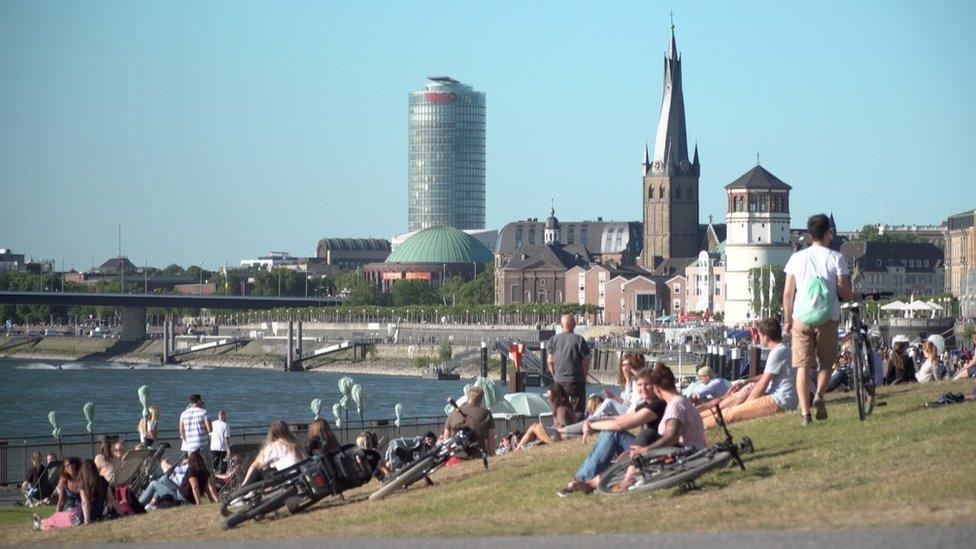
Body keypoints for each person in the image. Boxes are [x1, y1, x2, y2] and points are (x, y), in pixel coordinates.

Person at [782, 213, 855, 426]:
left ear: (809, 235)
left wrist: (788, 319)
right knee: (826, 362)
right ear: (827, 233)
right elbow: (843, 289)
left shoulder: (796, 258)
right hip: (827, 317)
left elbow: (788, 292)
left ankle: (805, 415)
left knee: (802, 367)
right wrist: (853, 296)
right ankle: (820, 393)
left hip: (801, 318)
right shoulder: (836, 258)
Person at [557, 365, 668, 496]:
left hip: (656, 451)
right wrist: (593, 421)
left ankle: (582, 479)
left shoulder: (658, 404)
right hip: (647, 447)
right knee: (611, 432)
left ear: (655, 385)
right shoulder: (645, 404)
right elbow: (622, 417)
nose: (642, 388)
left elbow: (622, 424)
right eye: (639, 385)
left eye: (647, 384)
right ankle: (586, 480)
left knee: (613, 432)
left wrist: (593, 426)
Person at [607, 363, 710, 493]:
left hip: (688, 453)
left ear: (656, 388)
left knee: (647, 434)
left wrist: (645, 449)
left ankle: (629, 478)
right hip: (689, 450)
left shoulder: (676, 405)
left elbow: (672, 437)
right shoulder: (678, 401)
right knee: (642, 439)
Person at [701, 318, 796, 428]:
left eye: (760, 336)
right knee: (733, 401)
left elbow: (763, 384)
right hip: (783, 399)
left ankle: (696, 427)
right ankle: (697, 418)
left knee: (732, 413)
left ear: (766, 337)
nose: (759, 339)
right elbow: (767, 374)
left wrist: (747, 405)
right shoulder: (784, 349)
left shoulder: (777, 352)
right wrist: (746, 382)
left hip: (779, 401)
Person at [546, 314, 591, 417]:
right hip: (576, 381)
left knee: (560, 410)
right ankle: (576, 430)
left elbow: (550, 361)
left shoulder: (553, 340)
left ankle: (561, 429)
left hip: (559, 381)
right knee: (578, 412)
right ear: (574, 325)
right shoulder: (580, 340)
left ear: (561, 325)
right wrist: (584, 376)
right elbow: (585, 362)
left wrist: (555, 375)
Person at [241, 420, 306, 485]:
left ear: (272, 433)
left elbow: (254, 466)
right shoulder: (296, 443)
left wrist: (243, 485)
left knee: (258, 468)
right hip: (304, 477)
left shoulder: (273, 447)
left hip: (290, 480)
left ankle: (249, 492)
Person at [515, 384, 576, 450]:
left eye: (550, 398)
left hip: (560, 437)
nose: (548, 400)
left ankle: (552, 444)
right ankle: (518, 449)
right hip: (557, 434)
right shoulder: (565, 407)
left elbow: (566, 428)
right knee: (535, 426)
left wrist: (549, 429)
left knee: (535, 427)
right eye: (548, 398)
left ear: (556, 397)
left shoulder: (561, 409)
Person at [443, 386, 496, 459]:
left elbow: (446, 436)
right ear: (481, 399)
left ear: (467, 398)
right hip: (476, 455)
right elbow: (491, 440)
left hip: (455, 455)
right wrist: (492, 455)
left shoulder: (453, 413)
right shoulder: (486, 413)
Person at [33, 457, 81, 531]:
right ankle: (42, 523)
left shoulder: (81, 478)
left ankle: (40, 524)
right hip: (68, 508)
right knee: (57, 518)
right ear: (65, 469)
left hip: (78, 510)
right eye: (68, 465)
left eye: (72, 464)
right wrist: (57, 513)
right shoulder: (64, 481)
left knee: (57, 523)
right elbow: (61, 501)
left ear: (76, 464)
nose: (70, 466)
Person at [179, 394, 212, 464]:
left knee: (193, 466)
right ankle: (211, 474)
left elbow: (181, 430)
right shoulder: (204, 412)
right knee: (207, 466)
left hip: (190, 446)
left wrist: (187, 440)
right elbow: (210, 429)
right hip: (202, 445)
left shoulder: (183, 414)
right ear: (199, 401)